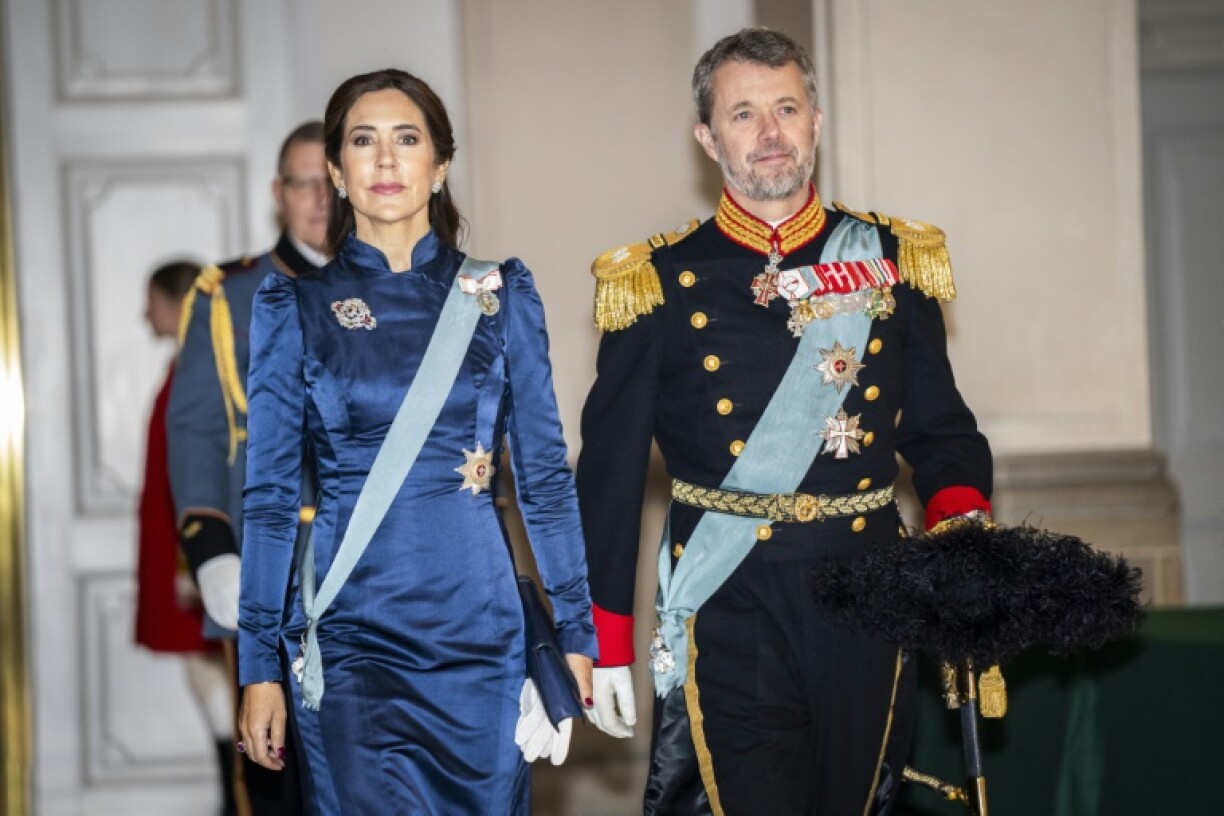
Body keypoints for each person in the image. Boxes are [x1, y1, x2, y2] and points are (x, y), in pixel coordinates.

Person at [577, 27, 994, 815]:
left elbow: (942, 434)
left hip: (872, 594)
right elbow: (609, 474)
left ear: (817, 120)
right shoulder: (656, 283)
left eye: (786, 109)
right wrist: (602, 638)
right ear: (707, 137)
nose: (770, 135)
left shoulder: (893, 260)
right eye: (743, 114)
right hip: (732, 600)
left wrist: (963, 537)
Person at [236, 68, 597, 815]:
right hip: (350, 636)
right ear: (336, 171)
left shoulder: (502, 294)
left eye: (408, 139)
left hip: (480, 633)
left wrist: (577, 631)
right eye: (363, 142)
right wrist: (257, 666)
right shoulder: (294, 306)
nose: (387, 160)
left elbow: (545, 481)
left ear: (440, 165)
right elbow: (269, 500)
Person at [167, 121, 331, 815]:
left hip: (382, 572)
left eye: (332, 184)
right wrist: (212, 557)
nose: (321, 201)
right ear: (278, 194)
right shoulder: (225, 294)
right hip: (268, 573)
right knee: (275, 783)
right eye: (304, 185)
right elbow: (197, 429)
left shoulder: (401, 286)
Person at [135, 259, 238, 816]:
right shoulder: (185, 366)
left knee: (221, 691)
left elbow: (199, 477)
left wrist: (188, 565)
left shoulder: (198, 372)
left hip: (191, 559)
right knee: (210, 690)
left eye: (149, 299)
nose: (142, 312)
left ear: (174, 304)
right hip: (173, 549)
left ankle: (237, 801)